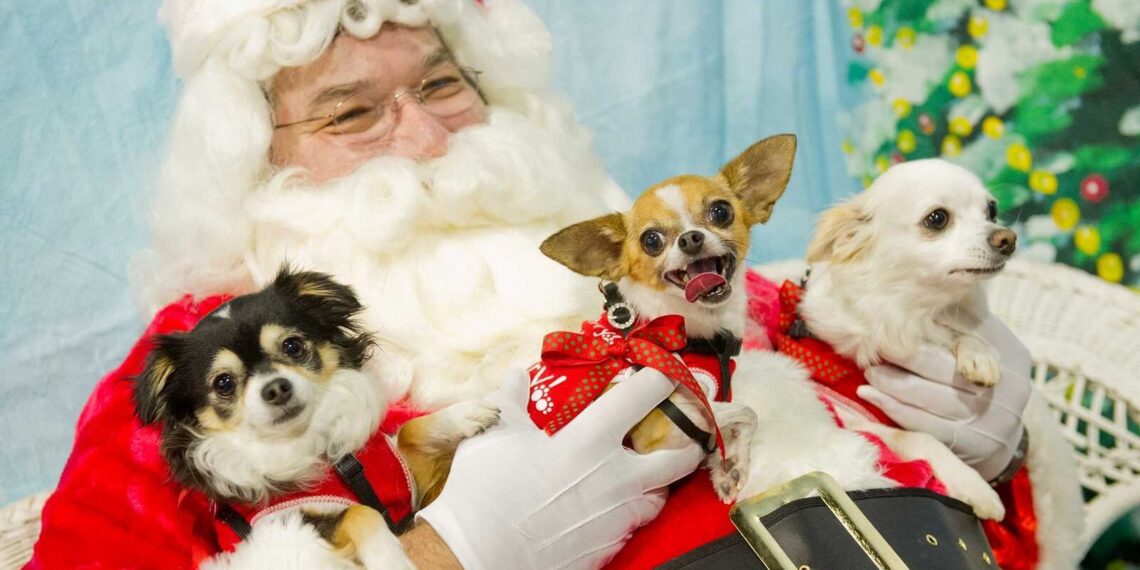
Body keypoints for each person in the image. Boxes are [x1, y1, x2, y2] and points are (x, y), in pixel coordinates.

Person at [29, 0, 1082, 568]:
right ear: (253, 164)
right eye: (352, 115)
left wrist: (979, 421)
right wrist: (451, 553)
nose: (426, 140)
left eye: (445, 85)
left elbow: (896, 428)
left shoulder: (673, 275)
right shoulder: (192, 377)